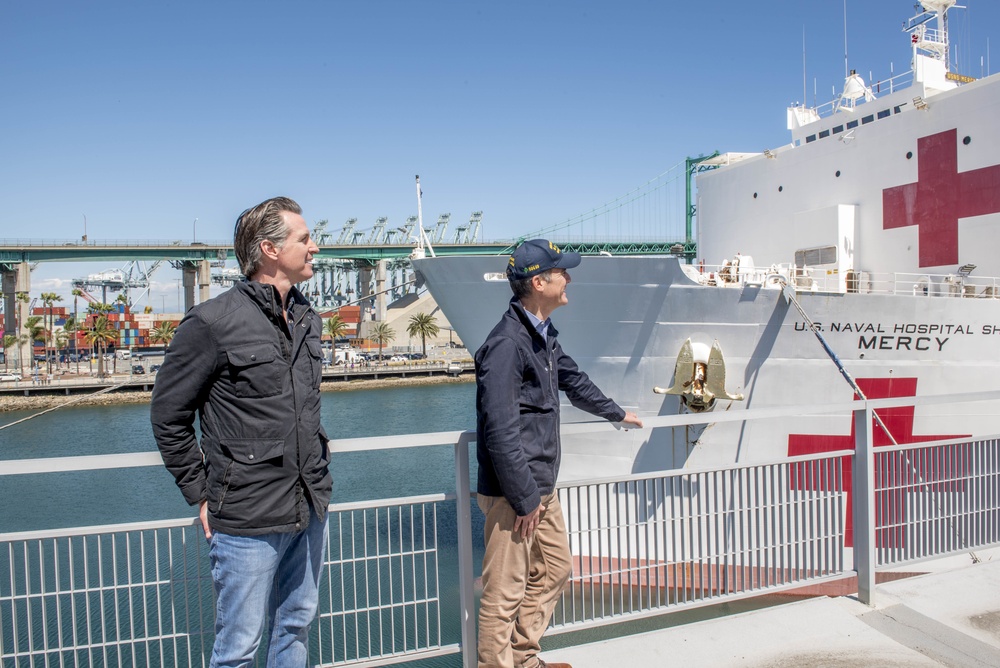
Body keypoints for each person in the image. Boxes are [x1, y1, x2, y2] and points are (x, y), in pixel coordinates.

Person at [151, 196, 331, 667]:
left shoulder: (308, 319)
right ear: (270, 249)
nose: (315, 247)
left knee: (294, 628)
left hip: (309, 504)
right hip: (247, 517)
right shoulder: (211, 323)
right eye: (304, 239)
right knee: (239, 647)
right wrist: (200, 493)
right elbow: (168, 416)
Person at [475, 239, 643, 668]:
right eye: (562, 271)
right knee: (504, 592)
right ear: (538, 282)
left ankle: (525, 657)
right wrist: (524, 498)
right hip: (516, 494)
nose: (569, 277)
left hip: (540, 488)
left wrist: (617, 413)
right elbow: (500, 430)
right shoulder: (507, 344)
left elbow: (574, 379)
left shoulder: (541, 336)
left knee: (555, 569)